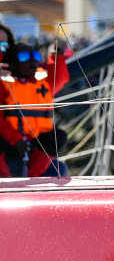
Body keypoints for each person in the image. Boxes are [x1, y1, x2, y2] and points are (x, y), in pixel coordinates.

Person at [0, 27, 71, 178]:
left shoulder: (42, 83)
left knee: (58, 137)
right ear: (12, 64)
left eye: (36, 56)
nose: (33, 62)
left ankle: (33, 175)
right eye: (25, 57)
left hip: (35, 141)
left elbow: (59, 78)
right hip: (10, 142)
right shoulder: (5, 84)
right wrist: (16, 139)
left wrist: (56, 57)